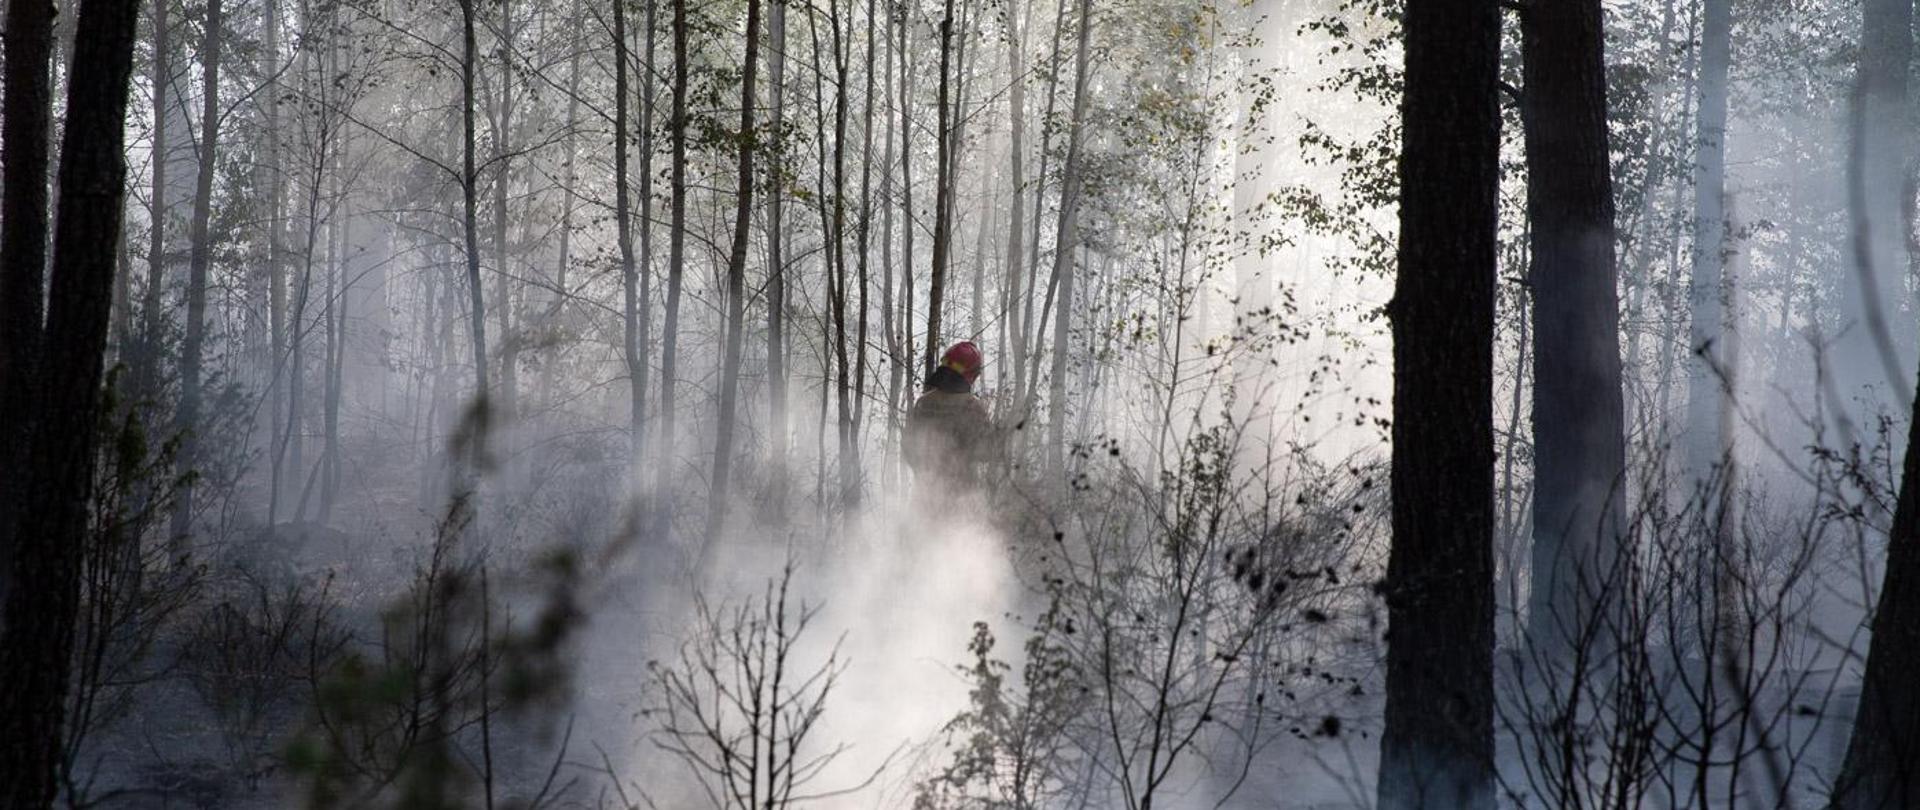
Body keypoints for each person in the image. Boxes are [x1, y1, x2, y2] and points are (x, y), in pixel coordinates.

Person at [903, 341, 997, 490]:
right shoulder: (972, 407)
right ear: (972, 373)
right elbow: (987, 453)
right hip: (961, 497)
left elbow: (909, 449)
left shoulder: (923, 403)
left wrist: (925, 472)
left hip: (925, 494)